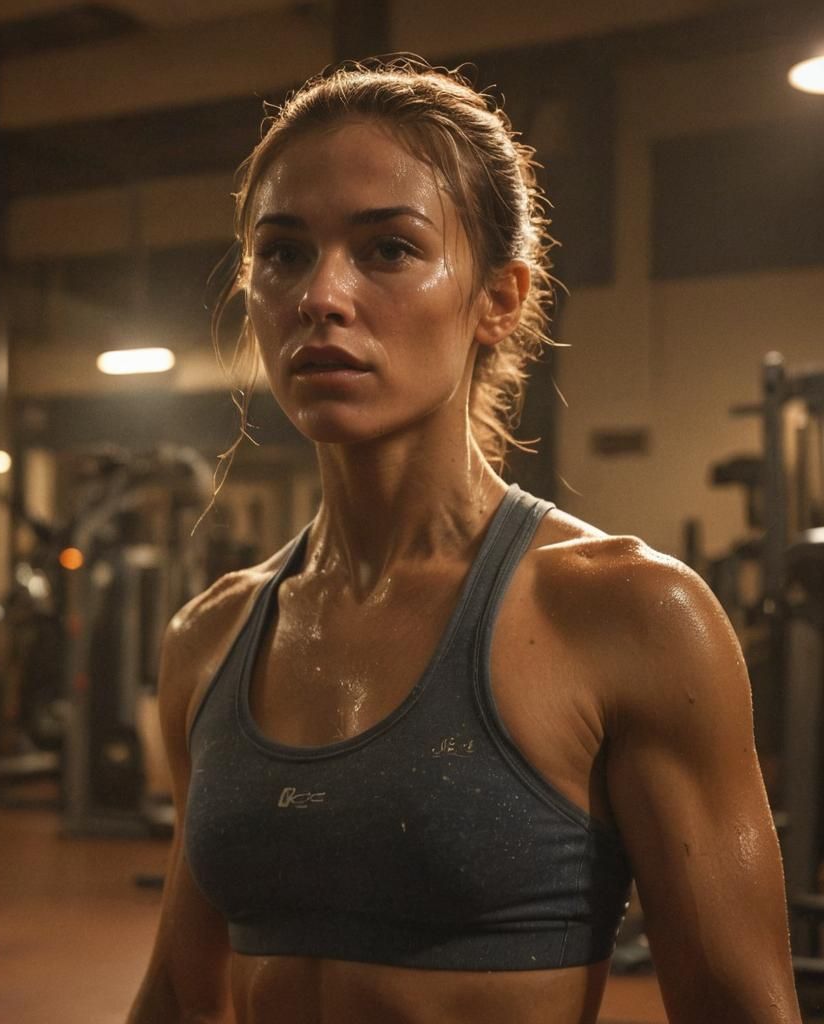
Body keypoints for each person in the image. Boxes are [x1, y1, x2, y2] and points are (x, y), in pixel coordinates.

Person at [127, 57, 800, 1023]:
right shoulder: (211, 636)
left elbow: (741, 1009)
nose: (322, 295)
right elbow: (179, 998)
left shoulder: (628, 615)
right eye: (283, 254)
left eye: (388, 249)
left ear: (500, 299)